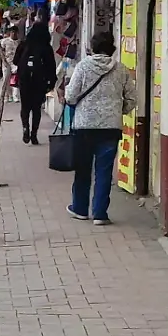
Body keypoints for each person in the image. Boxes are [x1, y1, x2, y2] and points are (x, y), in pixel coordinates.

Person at [64, 31, 134, 225]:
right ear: (112, 48)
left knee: (83, 169)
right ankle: (100, 214)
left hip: (84, 126)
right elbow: (131, 98)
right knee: (104, 171)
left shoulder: (83, 67)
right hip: (111, 127)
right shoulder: (121, 69)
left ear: (92, 48)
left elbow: (70, 96)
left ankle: (80, 208)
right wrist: (118, 111)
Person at [14, 16, 57, 144]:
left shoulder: (23, 44)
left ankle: (25, 128)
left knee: (25, 107)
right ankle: (34, 134)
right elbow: (51, 66)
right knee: (36, 108)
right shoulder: (46, 47)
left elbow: (16, 61)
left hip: (25, 80)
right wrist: (51, 82)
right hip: (40, 81)